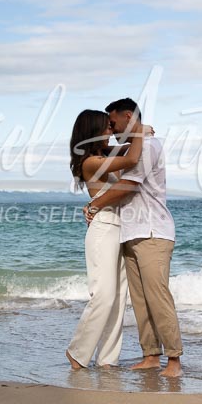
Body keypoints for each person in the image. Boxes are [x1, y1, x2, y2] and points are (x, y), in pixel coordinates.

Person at [84, 98, 182, 378]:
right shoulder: (137, 144)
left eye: (113, 122)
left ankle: (174, 360)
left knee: (157, 297)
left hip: (152, 232)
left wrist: (94, 205)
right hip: (131, 232)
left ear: (128, 116)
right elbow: (109, 151)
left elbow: (129, 185)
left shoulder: (148, 147)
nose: (112, 129)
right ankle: (150, 356)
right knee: (140, 300)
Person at [65, 109, 146, 369]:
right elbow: (132, 157)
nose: (111, 131)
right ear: (93, 131)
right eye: (107, 127)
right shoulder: (90, 162)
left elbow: (126, 149)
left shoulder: (104, 155)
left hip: (120, 228)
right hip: (103, 229)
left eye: (112, 127)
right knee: (104, 295)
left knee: (119, 299)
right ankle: (77, 352)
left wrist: (135, 134)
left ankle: (108, 359)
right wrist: (139, 131)